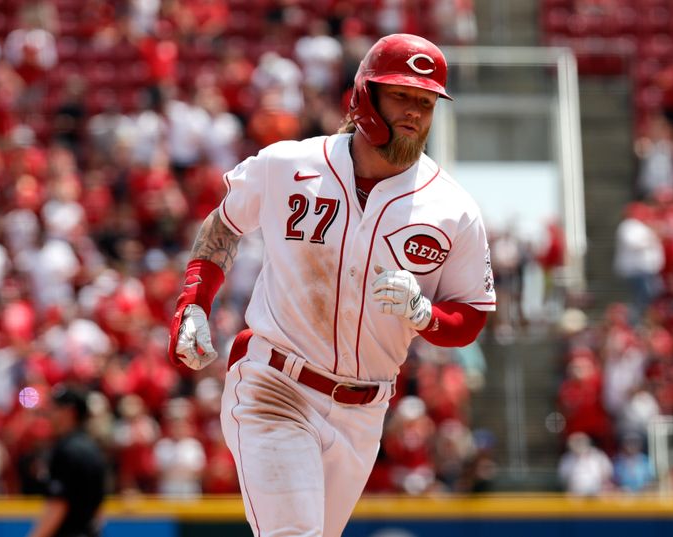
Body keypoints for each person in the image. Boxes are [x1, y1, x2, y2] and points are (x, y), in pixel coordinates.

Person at [167, 34, 496, 537]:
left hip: (364, 411)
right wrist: (193, 302)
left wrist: (426, 315)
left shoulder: (453, 209)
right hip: (275, 383)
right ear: (365, 95)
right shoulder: (288, 163)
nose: (415, 112)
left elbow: (471, 315)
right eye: (402, 96)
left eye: (426, 102)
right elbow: (223, 223)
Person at [28, 385, 107, 537]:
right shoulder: (93, 449)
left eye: (54, 407)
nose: (49, 413)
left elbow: (58, 505)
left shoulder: (66, 450)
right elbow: (98, 512)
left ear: (69, 412)